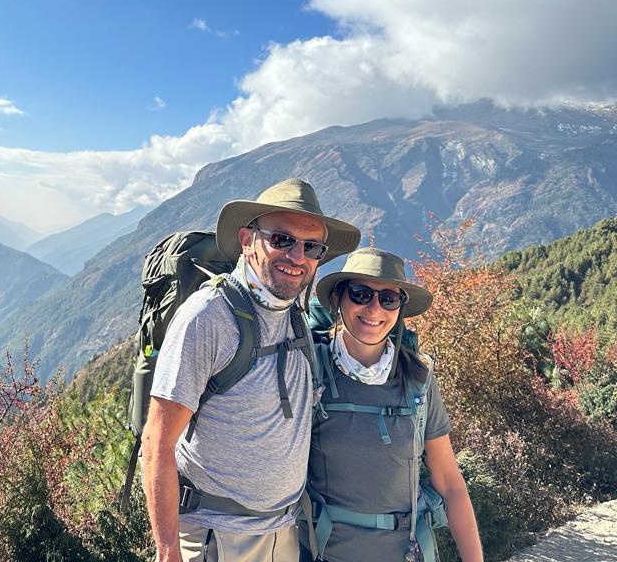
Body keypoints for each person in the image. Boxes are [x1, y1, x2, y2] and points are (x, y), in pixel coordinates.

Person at [141, 178, 361, 562]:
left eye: (312, 247)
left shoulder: (292, 315)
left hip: (284, 532)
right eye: (282, 240)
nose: (298, 257)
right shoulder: (208, 318)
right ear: (247, 239)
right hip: (218, 538)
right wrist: (167, 550)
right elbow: (157, 441)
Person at [301, 247, 483, 562]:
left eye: (388, 299)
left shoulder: (418, 379)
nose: (374, 309)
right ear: (338, 300)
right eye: (360, 294)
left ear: (399, 308)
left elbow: (450, 483)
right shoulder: (311, 371)